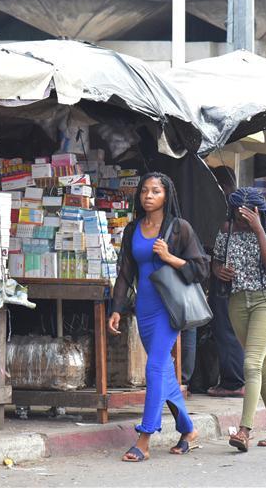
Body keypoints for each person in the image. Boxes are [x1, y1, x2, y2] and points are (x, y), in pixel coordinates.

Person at [107, 172, 209, 462]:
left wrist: (169, 257)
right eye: (144, 191)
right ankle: (188, 429)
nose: (148, 196)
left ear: (167, 196)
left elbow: (201, 269)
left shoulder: (179, 229)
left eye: (155, 191)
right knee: (163, 371)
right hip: (145, 310)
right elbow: (126, 274)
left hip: (170, 309)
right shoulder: (132, 229)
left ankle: (145, 438)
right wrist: (117, 309)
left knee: (153, 367)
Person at [212, 187, 266, 452]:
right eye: (238, 213)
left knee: (251, 363)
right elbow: (216, 260)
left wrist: (258, 230)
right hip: (237, 302)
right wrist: (220, 271)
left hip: (265, 301)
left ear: (257, 211)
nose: (242, 219)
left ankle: (244, 430)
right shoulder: (227, 228)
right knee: (262, 365)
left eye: (248, 214)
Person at [205, 166, 245, 398]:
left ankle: (233, 382)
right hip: (241, 282)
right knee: (236, 331)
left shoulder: (226, 210)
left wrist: (216, 266)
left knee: (226, 330)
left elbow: (218, 250)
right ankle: (238, 379)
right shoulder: (239, 206)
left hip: (228, 282)